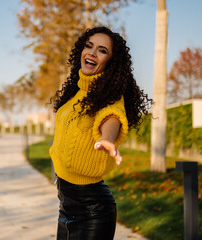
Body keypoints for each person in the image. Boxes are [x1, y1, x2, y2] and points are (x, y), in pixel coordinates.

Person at [49, 26, 153, 240]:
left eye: (102, 50)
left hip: (92, 211)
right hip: (66, 206)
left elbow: (111, 116)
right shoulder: (75, 93)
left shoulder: (110, 96)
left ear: (110, 61)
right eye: (89, 46)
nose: (92, 53)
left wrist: (107, 139)